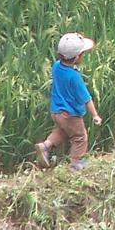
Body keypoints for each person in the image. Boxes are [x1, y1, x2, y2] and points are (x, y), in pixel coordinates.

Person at [35, 32, 102, 172]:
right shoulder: (74, 77)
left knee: (63, 132)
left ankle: (46, 145)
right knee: (80, 136)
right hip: (70, 114)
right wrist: (95, 115)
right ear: (77, 57)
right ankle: (76, 164)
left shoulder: (56, 66)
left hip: (56, 112)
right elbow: (86, 98)